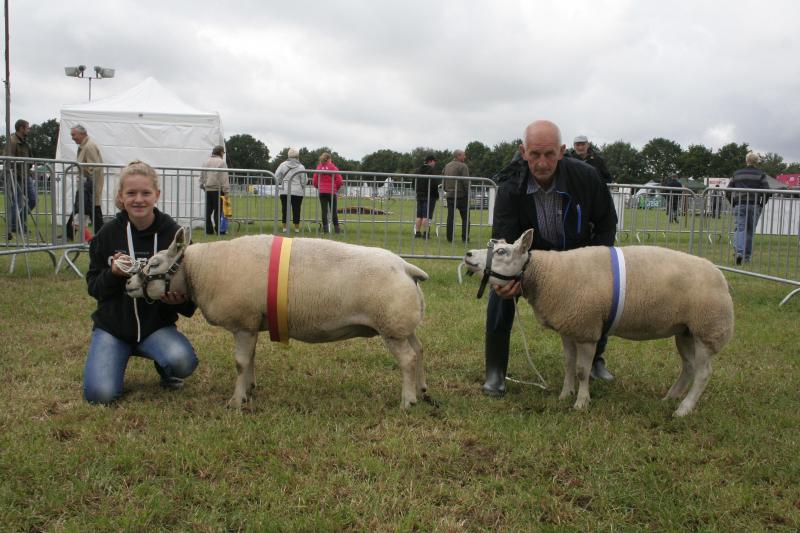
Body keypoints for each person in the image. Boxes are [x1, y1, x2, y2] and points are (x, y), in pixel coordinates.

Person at [483, 120, 618, 396]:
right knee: (500, 291)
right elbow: (504, 237)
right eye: (534, 154)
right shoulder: (510, 186)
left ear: (561, 151)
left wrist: (597, 263)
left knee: (600, 297)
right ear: (523, 152)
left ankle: (595, 360)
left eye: (549, 154)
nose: (542, 163)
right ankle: (495, 370)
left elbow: (607, 222)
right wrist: (510, 277)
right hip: (530, 257)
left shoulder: (588, 177)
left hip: (577, 256)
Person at [83, 160, 198, 404]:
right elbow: (94, 286)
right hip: (113, 329)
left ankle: (165, 367)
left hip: (155, 327)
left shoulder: (173, 235)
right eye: (131, 193)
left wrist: (179, 301)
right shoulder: (108, 234)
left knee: (183, 362)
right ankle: (116, 353)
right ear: (121, 197)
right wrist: (113, 274)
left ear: (156, 195)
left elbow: (189, 288)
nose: (139, 199)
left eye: (145, 193)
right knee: (99, 395)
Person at [728, 151, 770, 265]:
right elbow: (767, 190)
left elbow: (728, 190)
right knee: (750, 231)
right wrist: (762, 204)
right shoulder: (761, 174)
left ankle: (739, 252)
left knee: (740, 228)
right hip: (754, 204)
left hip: (739, 204)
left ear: (746, 161)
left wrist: (733, 203)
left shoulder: (737, 173)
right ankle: (746, 257)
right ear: (757, 162)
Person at [66, 125, 104, 240]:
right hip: (88, 184)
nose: (72, 137)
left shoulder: (89, 146)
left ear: (82, 134)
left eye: (73, 135)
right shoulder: (85, 145)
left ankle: (70, 234)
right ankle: (69, 233)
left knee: (90, 210)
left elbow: (94, 167)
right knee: (85, 208)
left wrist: (87, 182)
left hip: (89, 185)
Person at [6, 119, 36, 239]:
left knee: (33, 200)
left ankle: (19, 221)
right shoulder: (12, 142)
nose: (28, 130)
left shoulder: (24, 142)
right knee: (16, 202)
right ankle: (15, 225)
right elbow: (8, 160)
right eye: (27, 127)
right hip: (16, 176)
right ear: (21, 128)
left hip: (26, 175)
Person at [275, 148, 308, 233]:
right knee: (296, 209)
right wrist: (301, 187)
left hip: (285, 190)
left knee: (285, 209)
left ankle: (284, 228)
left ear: (288, 155)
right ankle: (296, 228)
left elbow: (276, 176)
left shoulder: (282, 165)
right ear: (297, 156)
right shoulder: (301, 166)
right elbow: (304, 181)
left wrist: (281, 182)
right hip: (297, 191)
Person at [199, 145, 230, 235]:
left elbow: (202, 175)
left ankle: (209, 230)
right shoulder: (221, 162)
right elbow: (224, 178)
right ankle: (219, 230)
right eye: (223, 152)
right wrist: (226, 191)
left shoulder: (206, 161)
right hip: (218, 189)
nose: (223, 154)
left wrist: (202, 185)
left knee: (208, 211)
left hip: (208, 189)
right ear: (220, 152)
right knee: (218, 211)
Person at [442, 149, 470, 242]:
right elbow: (466, 181)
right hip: (461, 195)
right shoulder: (463, 166)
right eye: (463, 155)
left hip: (450, 195)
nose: (465, 157)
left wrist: (446, 189)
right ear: (458, 156)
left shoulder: (447, 165)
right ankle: (465, 238)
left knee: (450, 217)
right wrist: (468, 193)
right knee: (465, 218)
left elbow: (443, 179)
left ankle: (449, 238)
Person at [312, 152, 343, 234]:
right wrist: (336, 188)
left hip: (322, 192)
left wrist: (319, 187)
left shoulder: (319, 167)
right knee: (333, 211)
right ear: (329, 159)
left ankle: (325, 230)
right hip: (332, 191)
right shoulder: (333, 167)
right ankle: (337, 229)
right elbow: (339, 180)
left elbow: (314, 180)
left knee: (324, 211)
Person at [414, 154, 439, 238]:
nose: (435, 163)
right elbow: (434, 184)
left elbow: (413, 183)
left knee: (419, 215)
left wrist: (418, 191)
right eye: (434, 162)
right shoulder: (431, 171)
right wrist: (436, 195)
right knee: (426, 216)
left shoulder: (417, 170)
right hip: (429, 196)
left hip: (419, 195)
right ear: (430, 161)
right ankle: (426, 233)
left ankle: (417, 232)